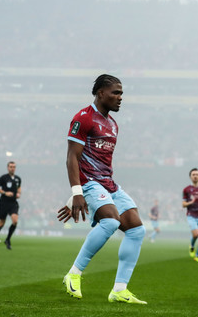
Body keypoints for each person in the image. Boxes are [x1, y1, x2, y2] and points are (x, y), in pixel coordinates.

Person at [58, 74, 147, 304]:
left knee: (137, 229)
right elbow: (72, 158)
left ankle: (119, 289)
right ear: (101, 93)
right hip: (89, 182)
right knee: (111, 221)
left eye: (121, 93)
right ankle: (73, 274)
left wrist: (76, 198)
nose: (120, 98)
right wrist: (78, 193)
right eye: (115, 93)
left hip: (108, 183)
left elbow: (101, 162)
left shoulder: (113, 124)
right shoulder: (83, 118)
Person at [0, 161, 22, 249]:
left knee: (15, 221)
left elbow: (19, 188)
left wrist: (19, 193)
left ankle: (7, 239)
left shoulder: (18, 178)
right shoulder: (3, 178)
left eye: (14, 167)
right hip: (3, 202)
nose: (12, 168)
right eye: (11, 166)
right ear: (8, 168)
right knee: (2, 222)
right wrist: (5, 192)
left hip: (13, 203)